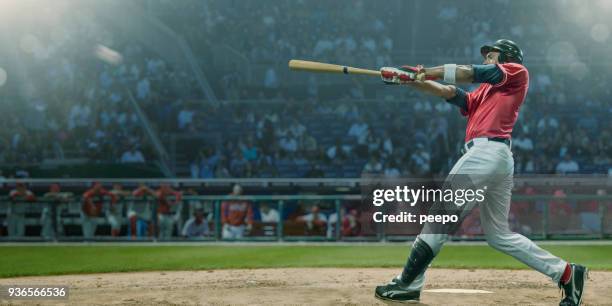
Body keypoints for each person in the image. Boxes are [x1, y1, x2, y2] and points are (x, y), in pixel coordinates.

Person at [376, 39, 587, 305]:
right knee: (499, 236)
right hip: (496, 157)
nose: (487, 57)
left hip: (486, 153)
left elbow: (468, 72)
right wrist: (409, 80)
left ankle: (408, 284)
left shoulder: (516, 72)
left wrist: (425, 71)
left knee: (440, 217)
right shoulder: (486, 92)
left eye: (491, 54)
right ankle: (568, 273)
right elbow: (449, 92)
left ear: (507, 57)